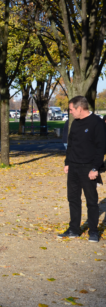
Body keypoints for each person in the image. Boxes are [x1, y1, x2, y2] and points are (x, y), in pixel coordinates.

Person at [58, 96, 105, 242]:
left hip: (88, 168)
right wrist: (67, 162)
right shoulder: (75, 123)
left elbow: (101, 148)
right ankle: (73, 229)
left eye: (71, 109)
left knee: (91, 201)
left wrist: (95, 168)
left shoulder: (97, 123)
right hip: (73, 167)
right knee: (73, 199)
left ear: (79, 108)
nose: (70, 112)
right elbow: (70, 144)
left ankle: (93, 231)